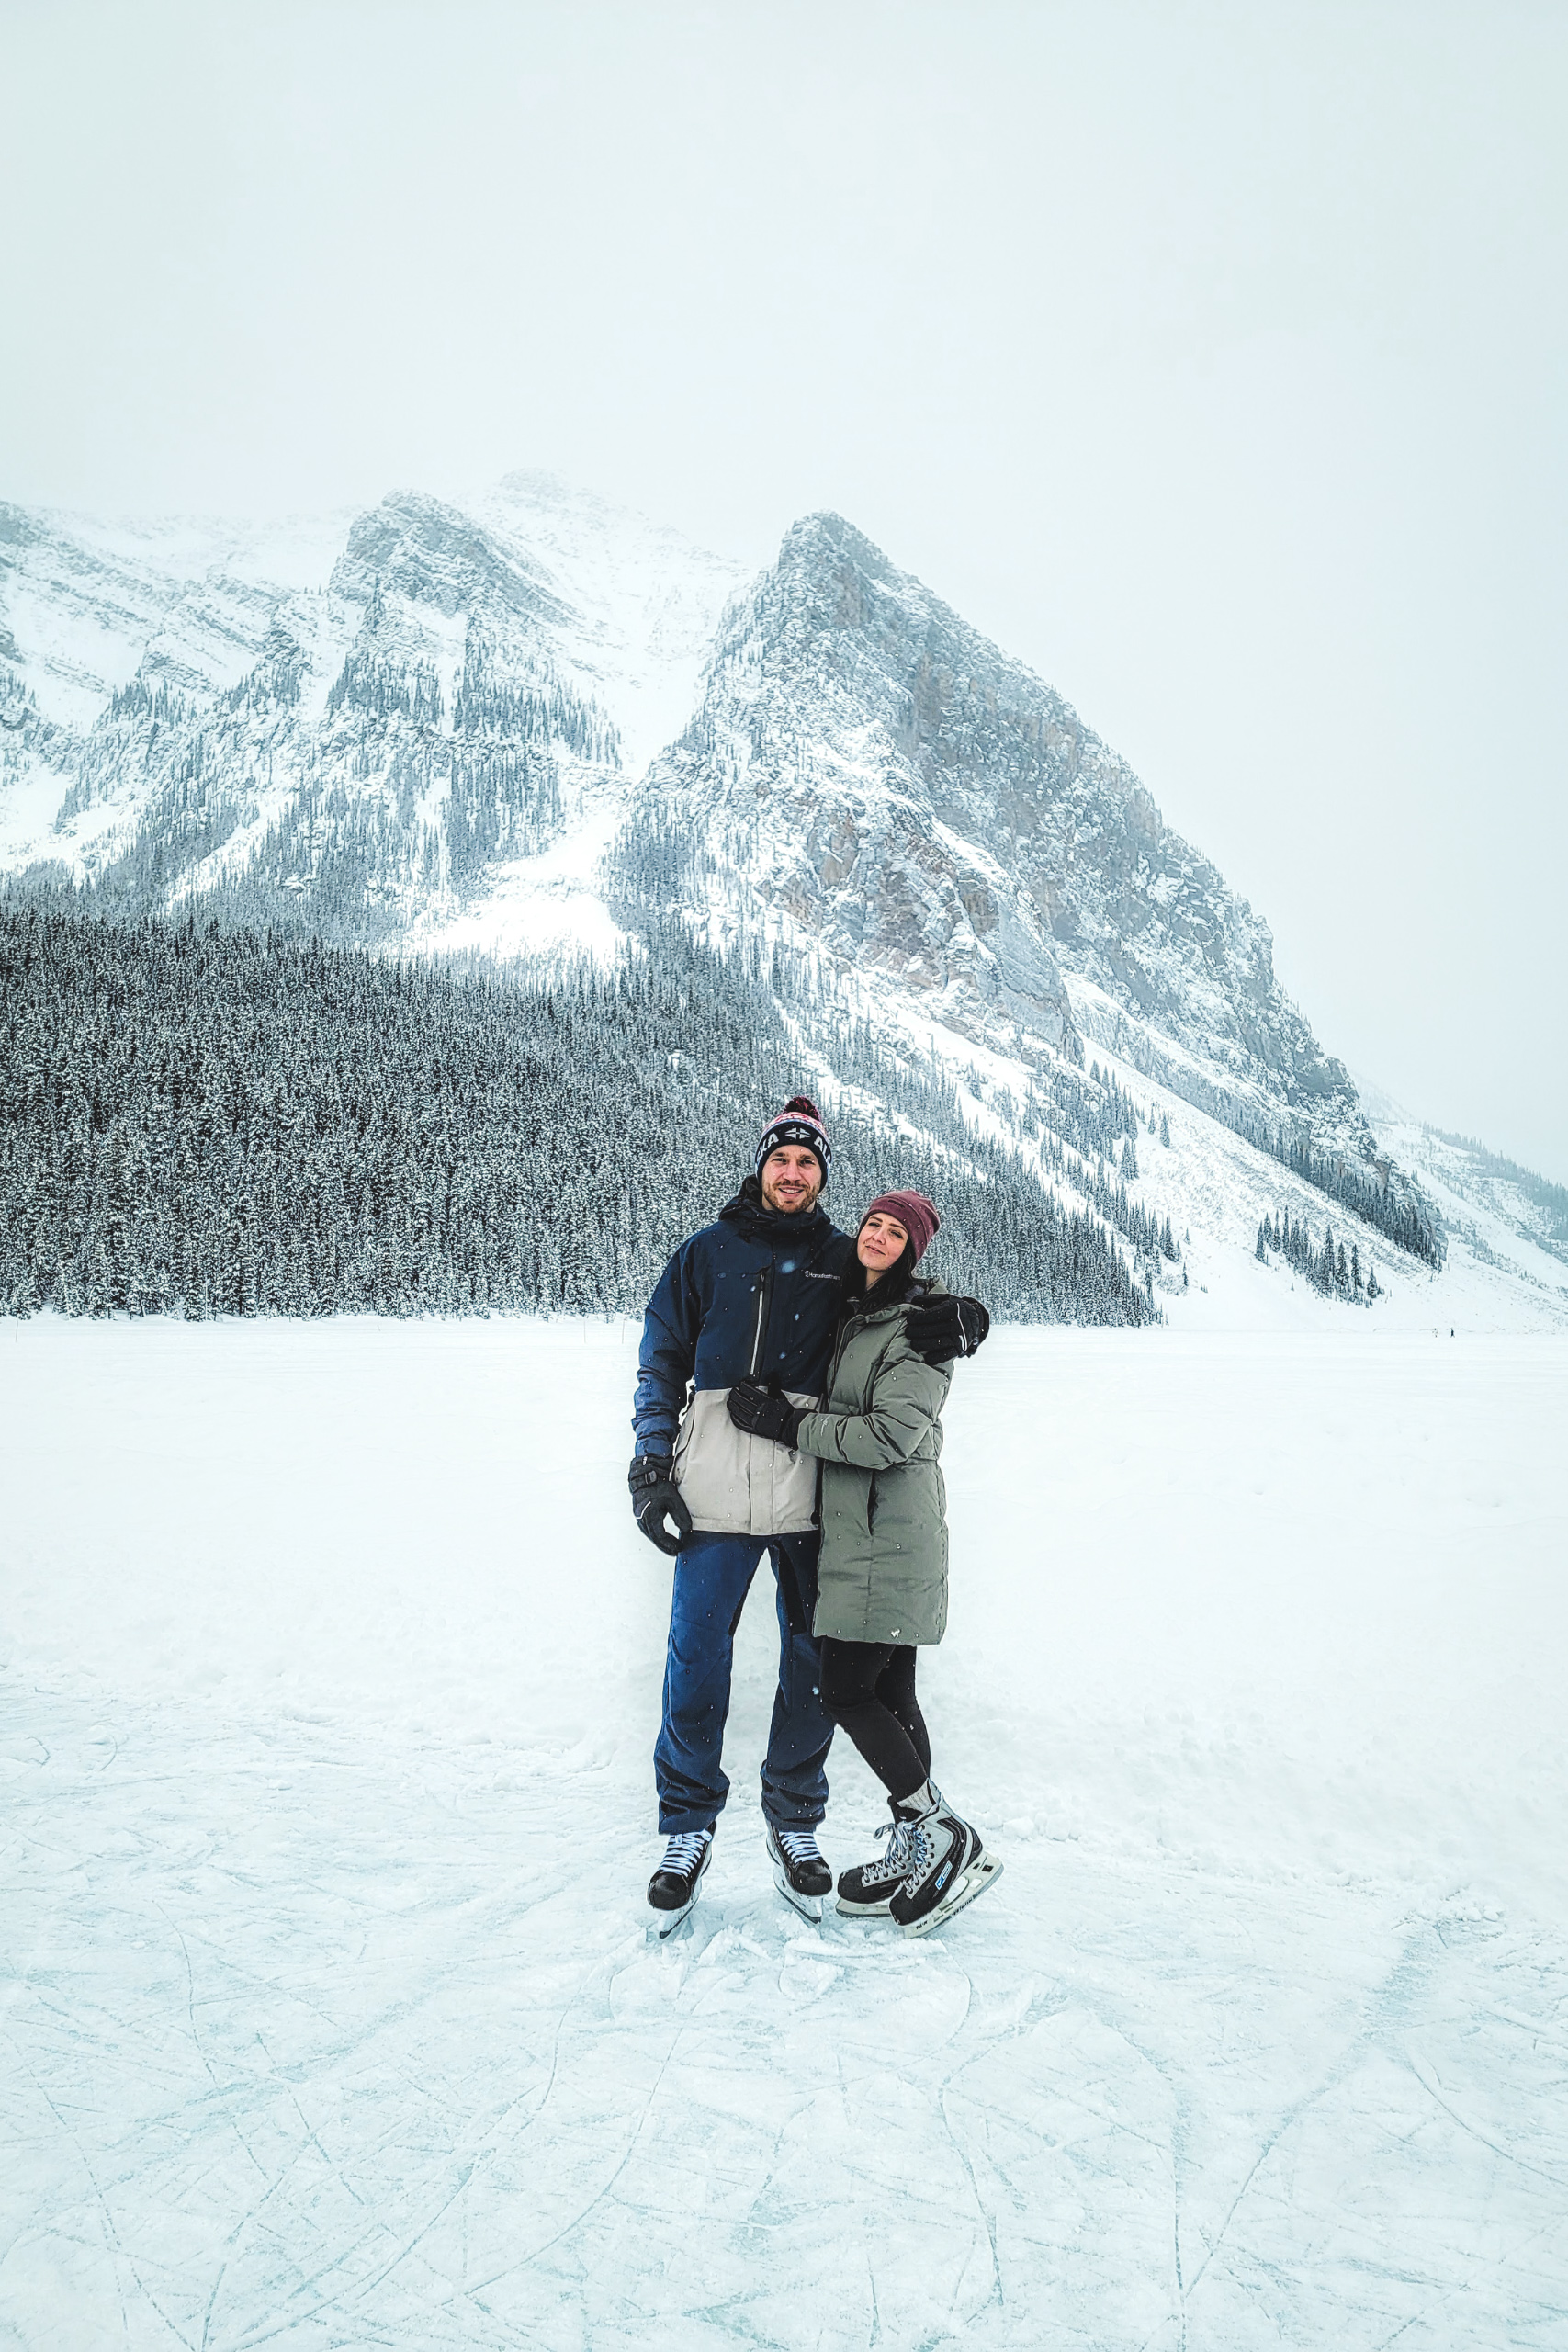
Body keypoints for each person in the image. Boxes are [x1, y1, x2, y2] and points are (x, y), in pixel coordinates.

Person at [630, 1099, 990, 1933]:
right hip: (712, 1492)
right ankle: (686, 1829)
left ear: (822, 1176)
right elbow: (660, 1364)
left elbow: (902, 1299)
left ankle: (795, 1824)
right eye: (781, 1160)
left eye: (808, 1163)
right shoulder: (703, 1255)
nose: (793, 1173)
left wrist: (965, 1317)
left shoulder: (838, 1258)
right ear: (761, 1166)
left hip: (808, 1499)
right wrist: (652, 1466)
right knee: (695, 1661)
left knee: (810, 1673)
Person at [727, 1189, 1000, 1937]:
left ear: (914, 1250)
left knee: (846, 1689)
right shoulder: (858, 1311)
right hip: (863, 1532)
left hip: (888, 1536)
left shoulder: (920, 1327)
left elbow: (888, 1438)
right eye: (872, 1223)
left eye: (895, 1231)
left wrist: (788, 1423)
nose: (877, 1235)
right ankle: (920, 1842)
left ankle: (937, 1829)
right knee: (892, 1690)